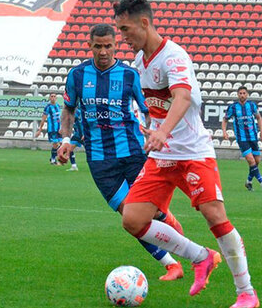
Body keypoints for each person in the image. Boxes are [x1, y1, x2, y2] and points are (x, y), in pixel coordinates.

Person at [114, 0, 260, 307]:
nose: (122, 36)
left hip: (193, 151)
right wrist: (152, 128)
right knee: (132, 219)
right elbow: (158, 105)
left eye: (125, 29)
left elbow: (181, 97)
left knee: (214, 214)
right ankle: (201, 257)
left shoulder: (174, 56)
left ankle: (246, 293)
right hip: (163, 155)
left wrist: (162, 131)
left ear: (144, 23)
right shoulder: (141, 62)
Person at [57, 23, 184, 281]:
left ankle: (162, 215)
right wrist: (67, 139)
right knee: (129, 217)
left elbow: (149, 110)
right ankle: (172, 264)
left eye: (108, 46)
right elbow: (69, 109)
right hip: (99, 160)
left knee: (146, 213)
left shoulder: (130, 75)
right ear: (90, 45)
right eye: (98, 46)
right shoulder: (78, 75)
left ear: (116, 45)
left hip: (133, 154)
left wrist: (155, 133)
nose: (103, 51)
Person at [222, 86, 262, 192]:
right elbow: (225, 120)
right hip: (242, 138)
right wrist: (224, 132)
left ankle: (248, 181)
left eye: (244, 93)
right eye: (240, 93)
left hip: (253, 137)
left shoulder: (252, 105)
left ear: (247, 94)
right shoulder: (233, 107)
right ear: (238, 95)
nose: (242, 95)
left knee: (257, 161)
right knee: (251, 160)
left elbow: (259, 118)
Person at [35, 93, 62, 165]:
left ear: (56, 98)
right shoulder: (48, 107)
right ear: (49, 98)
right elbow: (43, 119)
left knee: (61, 144)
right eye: (51, 96)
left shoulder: (58, 106)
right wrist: (40, 130)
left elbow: (60, 117)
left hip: (59, 129)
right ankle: (53, 160)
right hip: (52, 129)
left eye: (54, 96)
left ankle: (54, 157)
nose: (53, 98)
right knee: (55, 144)